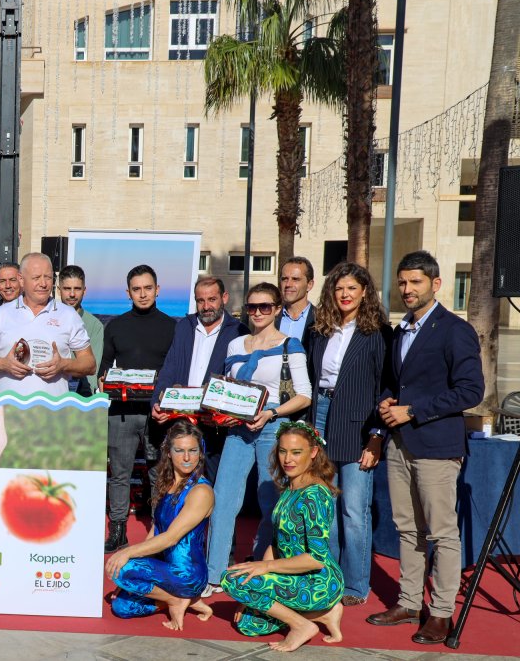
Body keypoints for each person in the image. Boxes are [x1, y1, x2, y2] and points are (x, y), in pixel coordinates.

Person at [367, 250, 484, 645]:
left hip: (436, 444)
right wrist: (387, 403)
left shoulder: (454, 329)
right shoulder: (401, 330)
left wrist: (412, 411)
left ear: (436, 284)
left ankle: (441, 612)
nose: (407, 289)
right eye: (402, 282)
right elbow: (397, 384)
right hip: (401, 444)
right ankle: (409, 602)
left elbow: (471, 390)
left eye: (415, 282)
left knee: (441, 533)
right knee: (407, 529)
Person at [205, 282, 312, 596]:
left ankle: (261, 570)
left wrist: (271, 414)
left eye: (265, 306)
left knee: (271, 503)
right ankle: (215, 576)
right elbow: (226, 388)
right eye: (252, 307)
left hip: (271, 426)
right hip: (237, 428)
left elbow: (304, 396)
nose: (258, 313)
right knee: (223, 500)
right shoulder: (236, 345)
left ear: (278, 308)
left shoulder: (290, 344)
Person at [307, 262, 391, 607]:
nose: (345, 295)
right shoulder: (319, 330)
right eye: (339, 289)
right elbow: (312, 381)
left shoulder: (379, 333)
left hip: (359, 424)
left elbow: (386, 387)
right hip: (321, 417)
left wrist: (376, 435)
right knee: (325, 508)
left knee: (354, 509)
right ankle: (330, 577)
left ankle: (355, 585)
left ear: (365, 292)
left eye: (352, 289)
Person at [222, 422, 344, 652]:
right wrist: (248, 593)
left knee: (230, 579)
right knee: (249, 625)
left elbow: (316, 560)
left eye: (297, 452)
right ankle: (324, 614)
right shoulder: (290, 488)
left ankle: (301, 625)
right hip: (291, 576)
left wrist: (265, 568)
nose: (288, 459)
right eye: (283, 451)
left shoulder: (314, 496)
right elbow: (276, 543)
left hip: (318, 581)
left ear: (314, 452)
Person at [105, 421, 215, 630]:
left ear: (200, 453)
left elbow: (170, 537)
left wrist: (128, 555)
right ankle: (180, 600)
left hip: (187, 574)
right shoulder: (167, 485)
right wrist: (137, 568)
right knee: (121, 607)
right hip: (166, 570)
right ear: (169, 453)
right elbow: (155, 531)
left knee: (121, 568)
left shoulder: (201, 491)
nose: (186, 458)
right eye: (179, 450)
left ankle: (175, 600)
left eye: (192, 451)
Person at [97, 265, 177, 551]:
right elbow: (103, 369)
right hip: (121, 411)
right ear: (128, 292)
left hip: (158, 413)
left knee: (159, 473)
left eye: (147, 288)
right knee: (119, 473)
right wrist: (104, 379)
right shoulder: (116, 326)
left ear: (157, 289)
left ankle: (159, 530)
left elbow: (176, 370)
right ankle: (118, 530)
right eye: (136, 289)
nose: (142, 294)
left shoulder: (172, 326)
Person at [152, 276, 249, 479]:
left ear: (224, 297)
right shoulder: (184, 326)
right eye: (200, 301)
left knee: (213, 483)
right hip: (182, 422)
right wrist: (157, 402)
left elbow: (241, 381)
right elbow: (169, 368)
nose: (206, 306)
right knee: (178, 483)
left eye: (212, 299)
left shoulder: (240, 332)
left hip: (215, 427)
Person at [0, 253, 96, 397]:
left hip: (52, 413)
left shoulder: (68, 315)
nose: (43, 284)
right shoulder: (2, 314)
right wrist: (4, 364)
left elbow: (90, 364)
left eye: (48, 277)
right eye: (36, 278)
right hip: (11, 413)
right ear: (21, 280)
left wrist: (63, 365)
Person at [59, 265, 104, 395]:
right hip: (51, 393)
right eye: (67, 289)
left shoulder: (95, 325)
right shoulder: (46, 318)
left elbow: (91, 370)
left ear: (84, 290)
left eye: (77, 289)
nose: (72, 294)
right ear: (58, 290)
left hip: (81, 395)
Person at [278, 257, 316, 352]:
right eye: (284, 279)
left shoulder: (322, 320)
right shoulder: (270, 317)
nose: (288, 284)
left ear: (309, 285)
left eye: (295, 279)